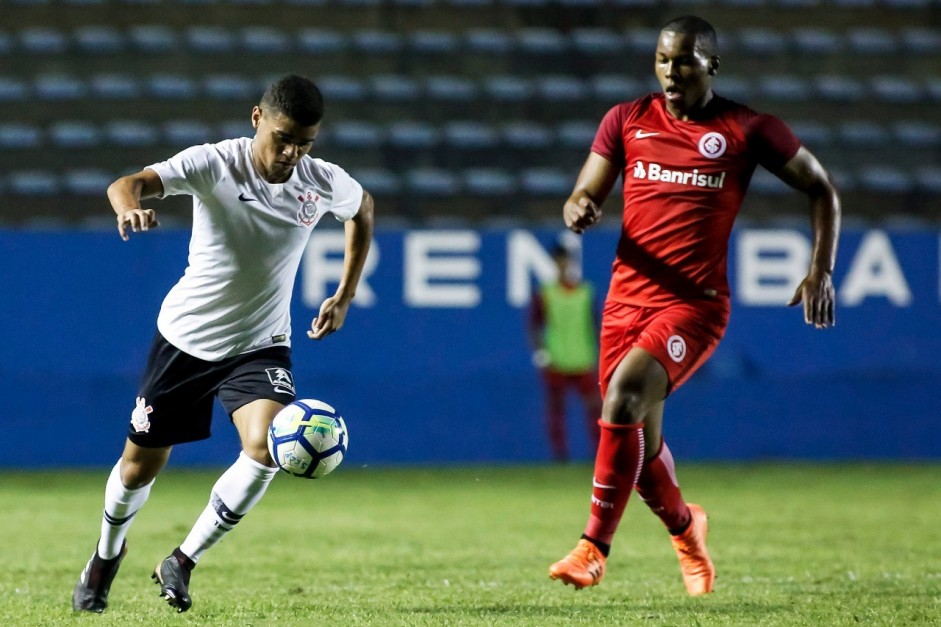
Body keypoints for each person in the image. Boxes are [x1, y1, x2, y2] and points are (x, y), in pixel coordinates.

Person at [548, 15, 840, 595]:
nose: (670, 71)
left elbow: (820, 188)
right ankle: (687, 529)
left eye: (683, 60)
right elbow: (583, 192)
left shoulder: (746, 129)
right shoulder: (627, 120)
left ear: (712, 64)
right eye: (661, 59)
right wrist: (579, 208)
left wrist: (821, 270)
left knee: (623, 395)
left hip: (694, 306)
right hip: (625, 302)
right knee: (639, 447)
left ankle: (593, 548)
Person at [71, 74, 375, 614]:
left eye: (304, 143)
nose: (291, 153)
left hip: (260, 343)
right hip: (185, 340)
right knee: (139, 467)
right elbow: (128, 182)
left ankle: (182, 561)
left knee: (268, 448)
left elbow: (363, 209)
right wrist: (126, 208)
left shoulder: (321, 180)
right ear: (257, 118)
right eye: (283, 138)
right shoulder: (214, 162)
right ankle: (105, 556)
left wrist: (345, 294)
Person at [528, 242, 601, 462]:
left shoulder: (586, 292)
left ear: (570, 262)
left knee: (595, 409)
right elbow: (534, 326)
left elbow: (596, 325)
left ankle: (599, 455)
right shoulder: (545, 293)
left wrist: (599, 355)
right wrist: (541, 353)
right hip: (556, 360)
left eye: (565, 260)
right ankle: (560, 457)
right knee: (556, 410)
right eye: (558, 261)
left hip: (583, 358)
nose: (562, 265)